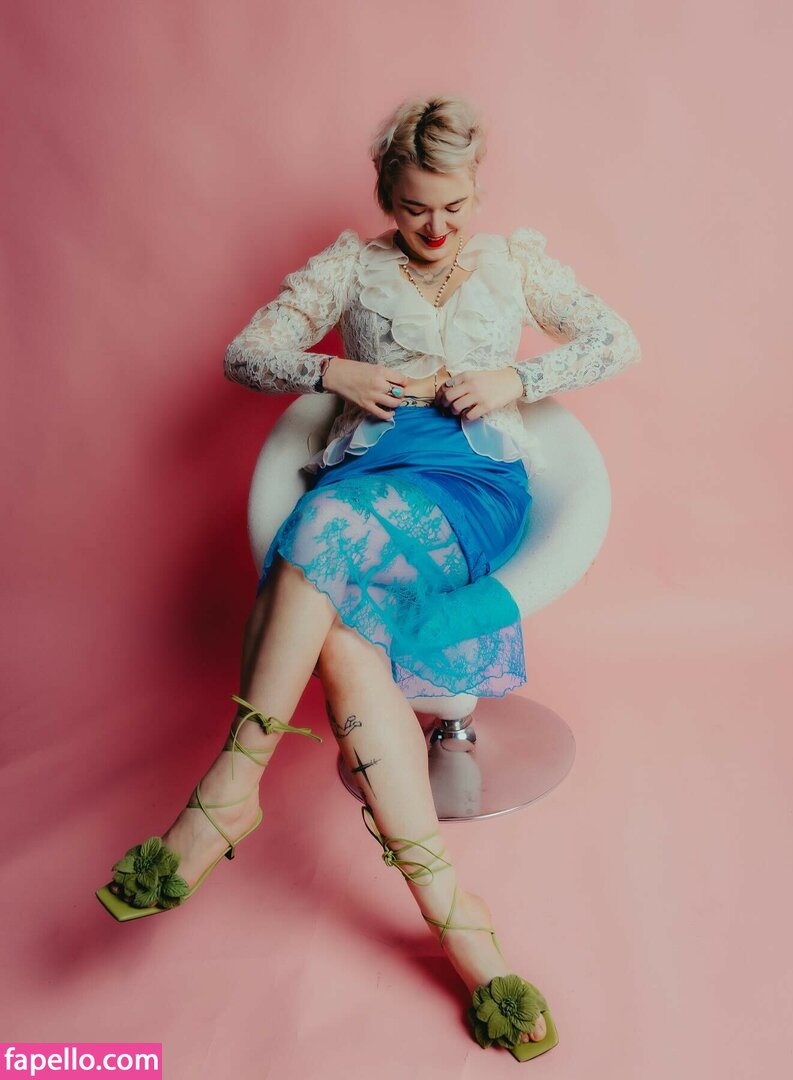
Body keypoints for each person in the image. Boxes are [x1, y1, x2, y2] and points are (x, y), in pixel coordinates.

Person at [94, 94, 641, 1061]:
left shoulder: (514, 262)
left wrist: (517, 381)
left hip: (470, 489)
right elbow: (245, 353)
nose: (436, 227)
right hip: (369, 475)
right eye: (417, 207)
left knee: (321, 524)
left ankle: (231, 786)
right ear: (389, 195)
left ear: (477, 193)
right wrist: (331, 375)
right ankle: (461, 925)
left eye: (455, 206)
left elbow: (614, 340)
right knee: (345, 641)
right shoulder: (351, 266)